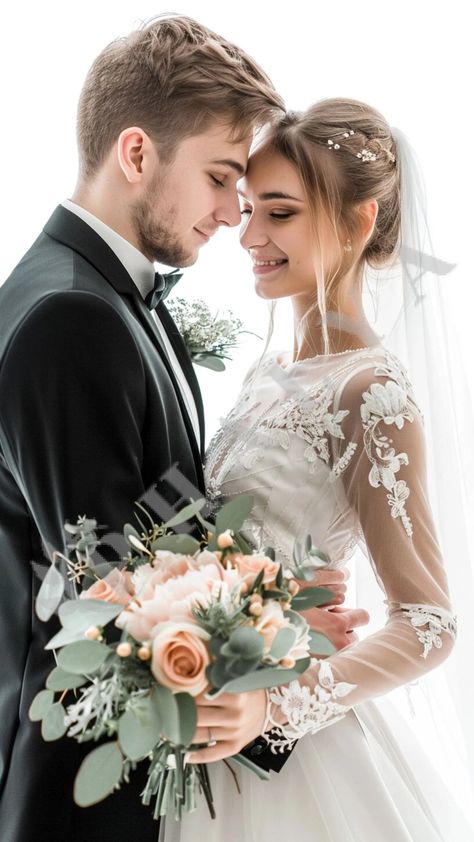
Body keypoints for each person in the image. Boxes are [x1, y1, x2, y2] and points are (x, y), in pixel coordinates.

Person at [0, 17, 365, 842]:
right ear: (136, 154)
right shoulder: (69, 316)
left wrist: (276, 582)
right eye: (220, 177)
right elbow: (116, 590)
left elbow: (152, 512)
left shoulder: (111, 294)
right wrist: (289, 636)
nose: (236, 213)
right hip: (83, 800)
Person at [166, 99, 474, 841]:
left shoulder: (372, 394)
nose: (248, 236)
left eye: (279, 213)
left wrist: (274, 707)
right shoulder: (269, 366)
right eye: (247, 210)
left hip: (291, 752)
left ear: (357, 223)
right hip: (206, 714)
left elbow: (428, 624)